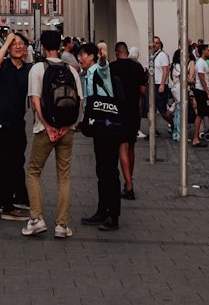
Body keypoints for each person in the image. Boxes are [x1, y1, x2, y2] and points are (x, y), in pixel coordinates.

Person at [23, 28, 82, 239]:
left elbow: (35, 100)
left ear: (42, 47)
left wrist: (48, 125)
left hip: (44, 130)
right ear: (59, 46)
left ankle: (36, 219)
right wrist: (66, 126)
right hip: (67, 130)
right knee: (64, 177)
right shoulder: (72, 70)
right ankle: (62, 224)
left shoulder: (37, 69)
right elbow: (79, 102)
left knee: (33, 172)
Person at [0, 30, 30, 223]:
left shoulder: (29, 70)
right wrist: (7, 40)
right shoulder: (4, 66)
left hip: (17, 124)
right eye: (13, 43)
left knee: (13, 166)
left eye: (20, 43)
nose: (17, 46)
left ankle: (8, 205)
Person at [78, 41, 121, 231]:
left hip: (108, 127)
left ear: (92, 56)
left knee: (109, 170)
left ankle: (113, 215)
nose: (80, 59)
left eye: (83, 55)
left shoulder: (98, 70)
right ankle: (102, 210)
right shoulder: (88, 74)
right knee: (101, 170)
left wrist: (103, 61)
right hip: (99, 128)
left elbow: (105, 69)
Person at [110, 41, 146, 199]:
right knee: (131, 146)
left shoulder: (112, 67)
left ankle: (129, 185)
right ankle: (128, 179)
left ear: (117, 53)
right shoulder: (137, 67)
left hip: (118, 111)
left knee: (122, 147)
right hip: (133, 111)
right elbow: (143, 90)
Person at [151, 36, 171, 129]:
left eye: (157, 43)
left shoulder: (163, 55)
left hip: (160, 84)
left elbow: (165, 70)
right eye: (154, 43)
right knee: (151, 108)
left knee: (162, 110)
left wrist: (162, 84)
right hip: (152, 84)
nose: (155, 44)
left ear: (160, 44)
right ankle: (153, 130)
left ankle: (173, 123)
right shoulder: (152, 55)